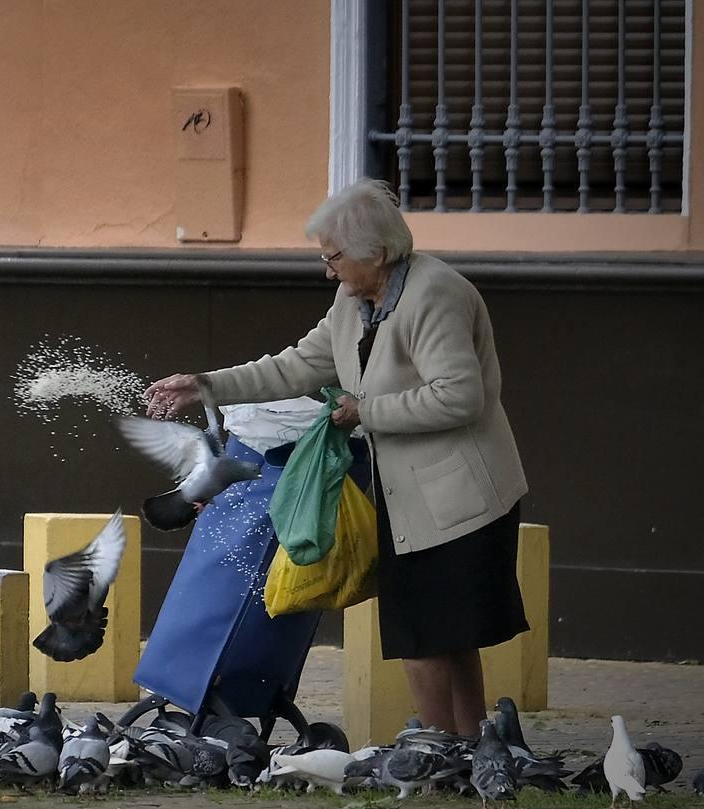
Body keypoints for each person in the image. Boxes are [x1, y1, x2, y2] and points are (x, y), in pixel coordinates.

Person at [143, 178, 528, 738]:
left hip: (460, 495)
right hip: (411, 494)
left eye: (334, 257)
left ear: (374, 249)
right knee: (444, 635)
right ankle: (472, 749)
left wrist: (364, 410)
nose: (328, 271)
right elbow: (295, 366)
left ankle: (444, 750)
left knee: (426, 637)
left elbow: (460, 396)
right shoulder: (354, 300)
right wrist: (204, 386)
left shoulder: (435, 294)